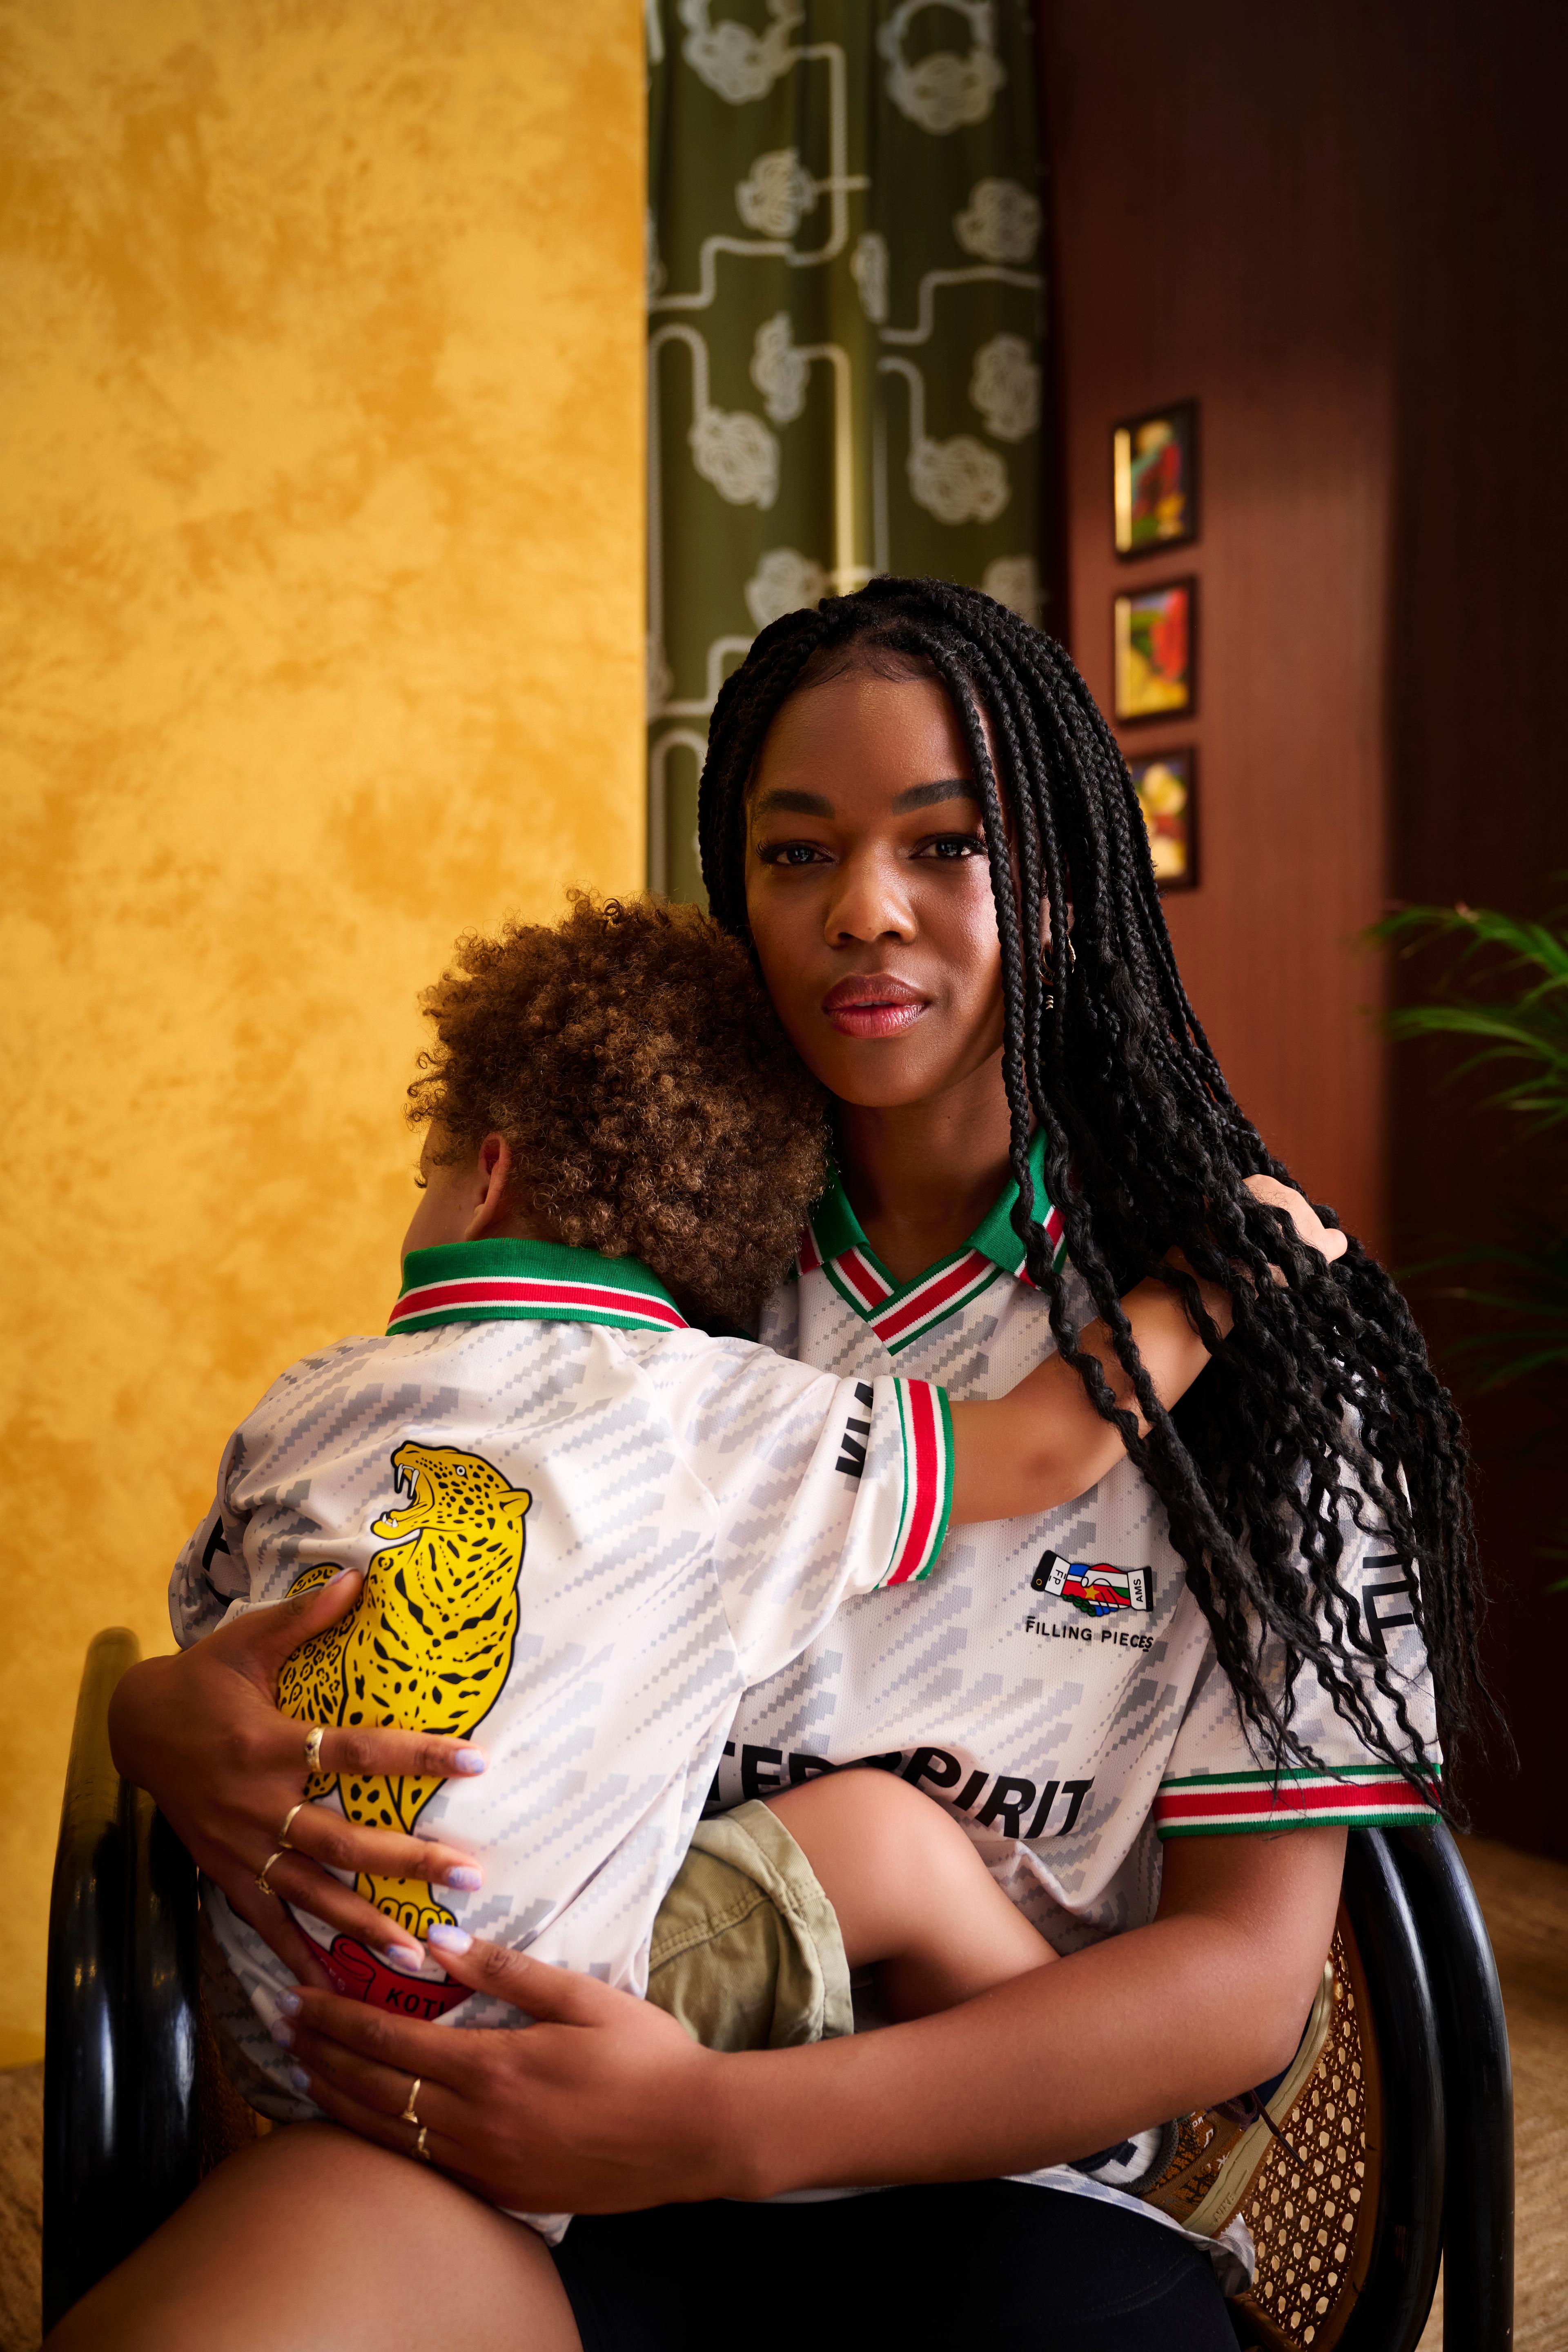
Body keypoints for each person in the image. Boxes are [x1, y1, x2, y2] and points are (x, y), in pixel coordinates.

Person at [74, 581, 1483, 2352]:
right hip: (522, 2143)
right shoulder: (636, 1270)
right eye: (797, 853)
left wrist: (717, 2127)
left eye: (950, 845)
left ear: (1068, 881)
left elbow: (1236, 1991)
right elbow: (370, 1610)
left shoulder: (1260, 1364)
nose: (863, 912)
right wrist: (168, 1726)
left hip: (1014, 2193)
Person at [187, 890, 1272, 2207]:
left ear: (489, 1173)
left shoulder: (304, 1402)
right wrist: (1215, 1272)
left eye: (422, 1176)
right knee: (887, 1840)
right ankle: (1116, 2145)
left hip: (267, 2030)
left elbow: (212, 1654)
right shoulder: (719, 1411)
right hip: (528, 2036)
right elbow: (1048, 1446)